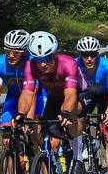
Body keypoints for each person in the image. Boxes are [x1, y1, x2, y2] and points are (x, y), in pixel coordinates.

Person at [18, 31, 85, 163]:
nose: (43, 64)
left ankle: (78, 159)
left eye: (47, 59)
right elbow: (27, 94)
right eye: (38, 60)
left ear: (54, 55)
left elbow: (70, 95)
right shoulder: (30, 66)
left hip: (77, 94)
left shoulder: (68, 63)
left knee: (70, 117)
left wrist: (66, 112)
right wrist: (21, 114)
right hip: (54, 98)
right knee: (49, 135)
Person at [76, 36, 108, 174]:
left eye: (93, 54)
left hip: (105, 97)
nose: (89, 58)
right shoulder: (75, 65)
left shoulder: (107, 66)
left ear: (97, 54)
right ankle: (83, 148)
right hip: (87, 95)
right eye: (85, 55)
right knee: (77, 119)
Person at [0, 29, 31, 135]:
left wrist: (29, 119)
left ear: (25, 52)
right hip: (12, 98)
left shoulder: (32, 63)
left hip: (33, 98)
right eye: (8, 51)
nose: (11, 55)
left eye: (16, 52)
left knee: (34, 134)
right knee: (7, 138)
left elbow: (34, 92)